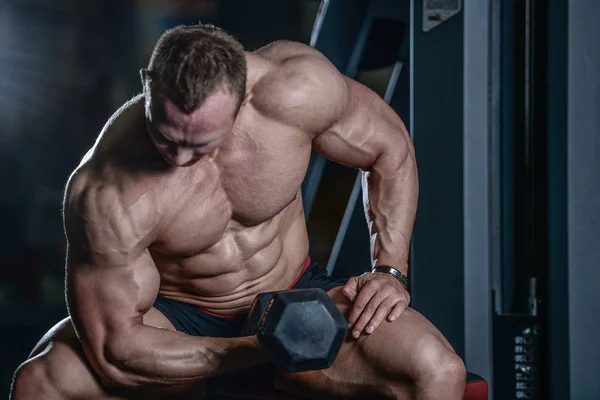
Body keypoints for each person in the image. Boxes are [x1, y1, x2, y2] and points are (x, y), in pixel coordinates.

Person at [11, 24, 466, 400]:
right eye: (166, 137)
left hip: (296, 293)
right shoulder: (105, 190)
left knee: (437, 371)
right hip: (174, 319)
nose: (180, 158)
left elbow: (391, 151)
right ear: (148, 84)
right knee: (42, 384)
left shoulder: (297, 92)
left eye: (202, 142)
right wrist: (263, 348)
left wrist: (389, 269)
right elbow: (115, 351)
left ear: (243, 97)